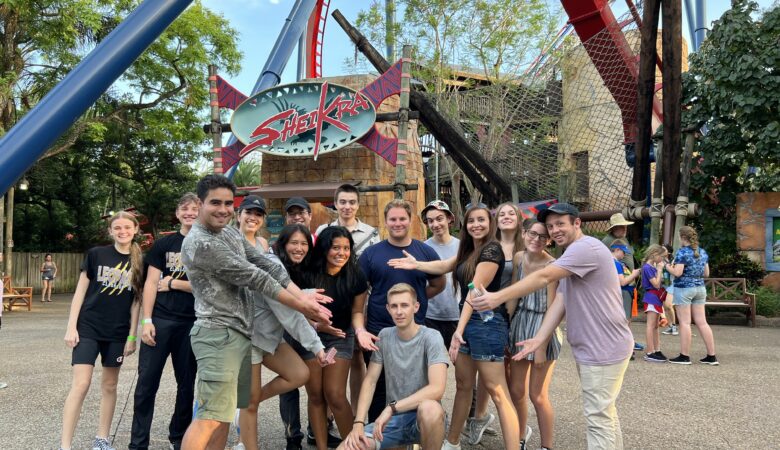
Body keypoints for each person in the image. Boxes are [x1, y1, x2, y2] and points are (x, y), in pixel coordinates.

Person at [180, 175, 332, 450]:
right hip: (217, 335)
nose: (223, 209)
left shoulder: (226, 233)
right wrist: (303, 305)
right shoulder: (202, 243)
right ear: (200, 203)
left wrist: (303, 297)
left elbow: (266, 265)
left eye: (228, 203)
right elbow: (256, 278)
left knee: (223, 417)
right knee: (209, 417)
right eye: (215, 203)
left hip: (239, 334)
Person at [472, 203, 633, 450]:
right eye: (550, 226)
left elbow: (544, 277)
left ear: (577, 223)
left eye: (561, 224)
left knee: (597, 418)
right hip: (595, 347)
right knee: (605, 414)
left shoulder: (584, 248)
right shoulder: (571, 255)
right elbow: (561, 300)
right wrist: (539, 339)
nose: (554, 230)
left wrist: (496, 297)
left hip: (603, 347)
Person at [389, 205, 519, 450]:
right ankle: (452, 443)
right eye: (471, 221)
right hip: (469, 322)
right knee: (463, 385)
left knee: (497, 390)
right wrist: (415, 265)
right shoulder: (469, 250)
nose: (476, 225)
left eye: (481, 220)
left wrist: (458, 331)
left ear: (490, 224)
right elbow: (442, 267)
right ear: (465, 224)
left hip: (486, 324)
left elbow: (473, 291)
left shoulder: (492, 249)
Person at [239, 224, 331, 450]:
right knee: (249, 406)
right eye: (294, 243)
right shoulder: (273, 265)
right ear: (282, 244)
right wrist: (318, 347)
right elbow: (290, 315)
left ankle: (245, 402)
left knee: (299, 374)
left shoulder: (288, 267)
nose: (299, 248)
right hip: (248, 337)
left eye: (304, 244)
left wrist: (306, 296)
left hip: (268, 337)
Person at [60, 212, 143, 450]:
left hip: (117, 333)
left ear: (135, 229)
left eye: (127, 227)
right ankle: (65, 445)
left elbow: (136, 302)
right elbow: (80, 293)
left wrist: (131, 336)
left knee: (109, 385)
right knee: (81, 384)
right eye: (117, 228)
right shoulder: (97, 254)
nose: (122, 231)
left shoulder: (139, 261)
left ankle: (102, 439)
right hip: (88, 328)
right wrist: (71, 327)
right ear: (110, 231)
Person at [359, 199, 445, 422]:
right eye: (393, 219)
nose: (398, 223)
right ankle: (377, 433)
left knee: (418, 383)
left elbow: (438, 284)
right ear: (385, 222)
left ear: (410, 221)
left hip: (414, 333)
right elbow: (359, 294)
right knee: (377, 385)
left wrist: (414, 303)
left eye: (402, 219)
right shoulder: (371, 254)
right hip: (379, 331)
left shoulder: (425, 252)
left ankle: (416, 432)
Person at [338, 283, 448, 450]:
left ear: (416, 307)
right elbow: (370, 381)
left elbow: (437, 388)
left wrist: (391, 408)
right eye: (394, 306)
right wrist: (358, 423)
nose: (399, 311)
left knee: (430, 408)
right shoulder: (384, 336)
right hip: (394, 422)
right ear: (388, 309)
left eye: (404, 305)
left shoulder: (431, 337)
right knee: (347, 447)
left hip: (423, 419)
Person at [129, 193, 199, 450]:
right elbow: (150, 283)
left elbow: (206, 287)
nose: (189, 212)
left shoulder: (207, 244)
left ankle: (179, 436)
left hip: (192, 323)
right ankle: (138, 442)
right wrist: (146, 320)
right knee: (146, 383)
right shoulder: (164, 245)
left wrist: (173, 283)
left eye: (195, 209)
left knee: (187, 384)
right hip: (160, 320)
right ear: (178, 213)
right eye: (185, 208)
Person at [296, 226, 373, 450]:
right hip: (310, 336)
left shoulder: (355, 274)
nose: (341, 252)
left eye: (346, 248)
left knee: (335, 394)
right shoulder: (307, 272)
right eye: (336, 247)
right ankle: (321, 446)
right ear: (324, 249)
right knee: (316, 395)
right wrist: (317, 325)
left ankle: (353, 445)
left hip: (340, 336)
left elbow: (357, 313)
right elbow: (296, 310)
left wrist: (360, 331)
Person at [314, 184, 380, 417]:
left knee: (356, 358)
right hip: (329, 303)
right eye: (342, 202)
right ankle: (331, 413)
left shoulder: (371, 233)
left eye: (352, 202)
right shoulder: (324, 229)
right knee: (328, 356)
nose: (347, 206)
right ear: (336, 204)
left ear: (358, 204)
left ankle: (354, 411)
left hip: (360, 302)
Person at [507, 219, 560, 450]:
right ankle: (519, 437)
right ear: (524, 233)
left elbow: (552, 308)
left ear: (549, 240)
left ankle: (547, 445)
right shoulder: (519, 257)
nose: (536, 240)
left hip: (542, 325)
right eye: (532, 234)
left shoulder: (552, 265)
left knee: (537, 395)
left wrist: (541, 345)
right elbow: (512, 296)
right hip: (520, 323)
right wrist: (506, 329)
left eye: (542, 236)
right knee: (516, 390)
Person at [665, 226, 718, 366]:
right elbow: (706, 274)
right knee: (702, 322)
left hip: (684, 289)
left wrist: (667, 267)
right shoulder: (702, 252)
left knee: (685, 322)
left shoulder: (682, 252)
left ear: (683, 237)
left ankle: (684, 356)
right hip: (700, 289)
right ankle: (711, 357)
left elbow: (677, 273)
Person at [611, 239, 641, 359]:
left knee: (624, 321)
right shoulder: (616, 263)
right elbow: (622, 282)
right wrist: (634, 274)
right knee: (625, 322)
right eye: (623, 252)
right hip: (623, 293)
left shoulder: (615, 262)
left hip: (624, 294)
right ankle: (626, 350)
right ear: (617, 250)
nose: (624, 255)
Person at [640, 244, 670, 363]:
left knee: (656, 326)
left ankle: (656, 350)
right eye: (661, 257)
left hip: (656, 298)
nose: (662, 260)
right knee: (651, 325)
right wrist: (659, 269)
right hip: (652, 297)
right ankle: (649, 351)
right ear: (654, 254)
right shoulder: (647, 267)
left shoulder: (651, 267)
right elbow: (656, 284)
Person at [660, 244, 679, 336]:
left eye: (663, 249)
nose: (661, 250)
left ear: (669, 252)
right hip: (663, 284)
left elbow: (676, 272)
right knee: (665, 306)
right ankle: (670, 326)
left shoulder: (674, 260)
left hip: (672, 284)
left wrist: (668, 266)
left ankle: (674, 326)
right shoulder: (659, 260)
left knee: (668, 305)